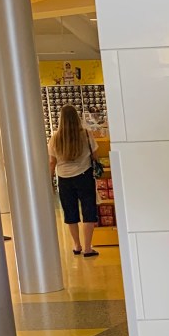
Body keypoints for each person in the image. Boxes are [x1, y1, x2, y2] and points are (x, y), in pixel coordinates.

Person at [48, 103, 99, 257]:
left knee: (70, 213)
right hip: (84, 176)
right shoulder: (86, 134)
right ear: (77, 117)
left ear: (61, 119)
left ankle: (77, 245)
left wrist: (50, 181)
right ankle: (88, 248)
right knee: (88, 211)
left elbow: (52, 162)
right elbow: (95, 155)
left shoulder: (55, 139)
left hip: (64, 179)